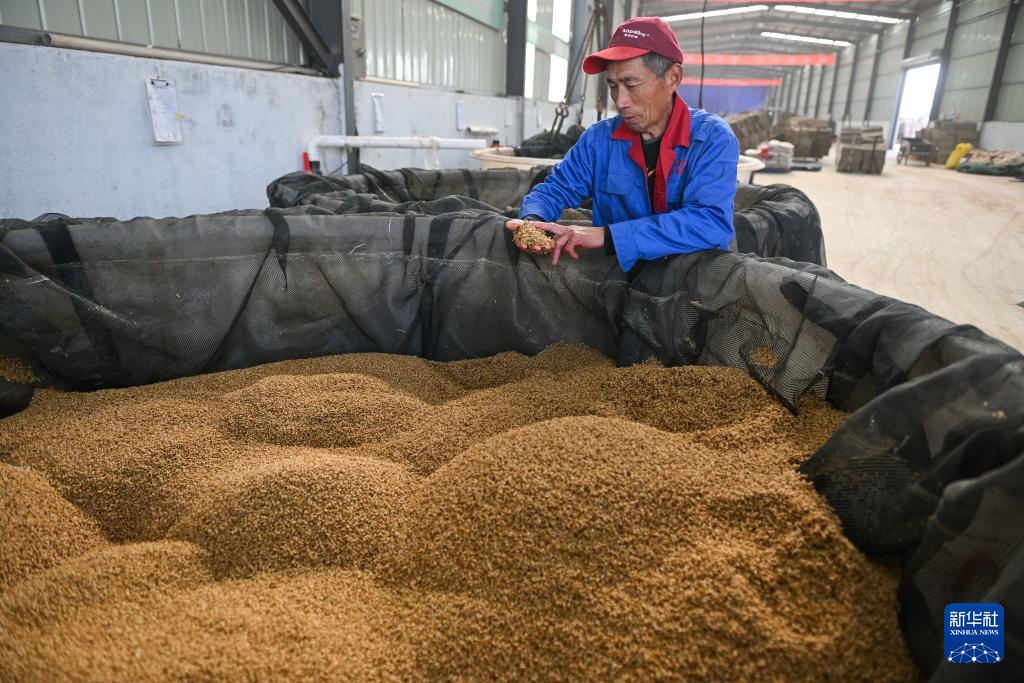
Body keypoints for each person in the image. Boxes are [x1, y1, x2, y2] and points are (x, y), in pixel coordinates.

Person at [506, 16, 739, 273]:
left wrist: (608, 236)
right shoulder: (599, 140)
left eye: (631, 84)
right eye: (613, 86)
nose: (620, 100)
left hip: (692, 288)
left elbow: (710, 222)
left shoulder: (712, 138)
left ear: (673, 77)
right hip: (621, 282)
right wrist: (532, 222)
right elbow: (555, 188)